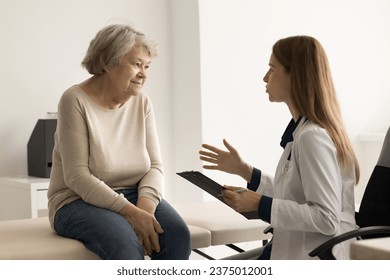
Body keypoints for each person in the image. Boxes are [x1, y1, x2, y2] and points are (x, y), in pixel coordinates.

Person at [199, 35, 359, 260]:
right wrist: (245, 171)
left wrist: (260, 204)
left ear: (296, 76)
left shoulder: (313, 137)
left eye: (272, 69)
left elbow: (326, 217)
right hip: (290, 247)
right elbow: (296, 196)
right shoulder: (302, 133)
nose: (265, 78)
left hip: (312, 256)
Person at [47, 24, 191, 260]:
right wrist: (131, 214)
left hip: (135, 195)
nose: (144, 74)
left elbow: (155, 167)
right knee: (124, 242)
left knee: (177, 236)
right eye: (136, 64)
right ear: (107, 62)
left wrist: (144, 210)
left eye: (147, 66)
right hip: (76, 201)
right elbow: (77, 176)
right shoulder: (74, 100)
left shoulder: (142, 102)